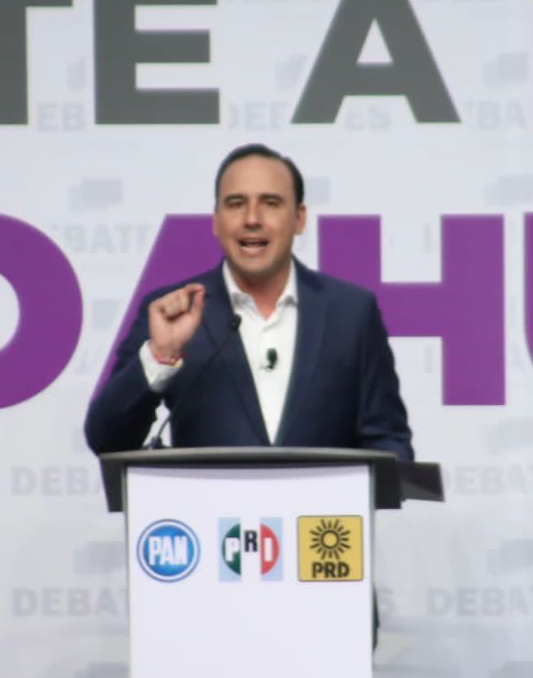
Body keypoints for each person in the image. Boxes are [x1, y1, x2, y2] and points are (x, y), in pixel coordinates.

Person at [83, 143, 414, 461]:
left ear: (299, 219)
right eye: (236, 203)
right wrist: (162, 356)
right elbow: (107, 441)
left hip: (325, 504)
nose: (252, 218)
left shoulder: (352, 312)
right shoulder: (173, 313)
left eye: (271, 203)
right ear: (216, 221)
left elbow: (388, 440)